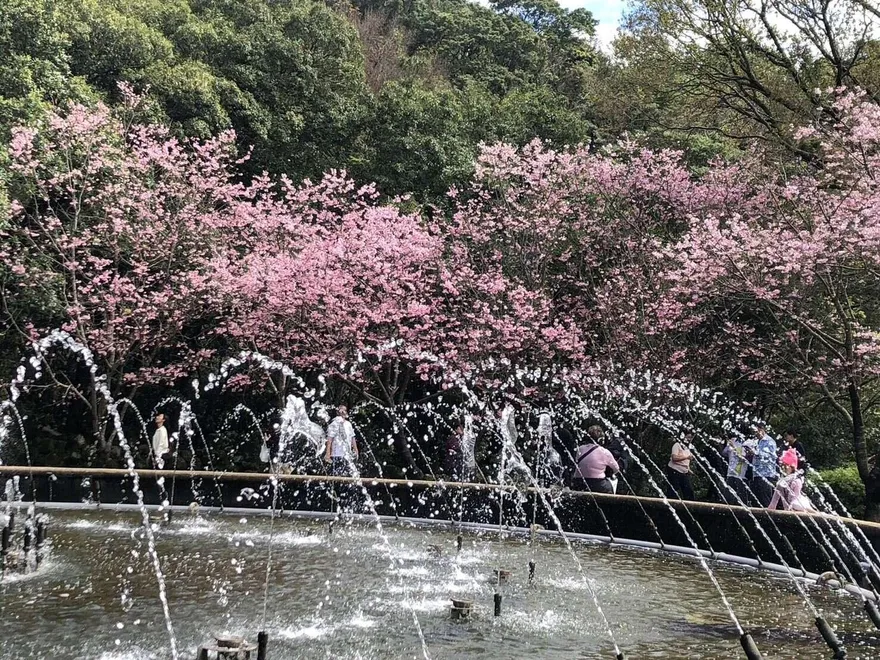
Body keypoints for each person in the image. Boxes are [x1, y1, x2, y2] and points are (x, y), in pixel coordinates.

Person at [571, 425, 620, 494]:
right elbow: (616, 469)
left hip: (579, 483)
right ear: (601, 439)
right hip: (597, 485)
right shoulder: (604, 452)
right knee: (613, 481)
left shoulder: (580, 449)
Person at [324, 405, 358, 476]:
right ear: (338, 412)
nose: (343, 412)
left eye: (344, 410)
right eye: (341, 410)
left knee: (348, 476)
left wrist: (356, 450)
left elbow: (352, 438)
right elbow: (329, 440)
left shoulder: (348, 424)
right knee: (337, 475)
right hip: (336, 455)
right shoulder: (334, 424)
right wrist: (328, 453)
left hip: (347, 455)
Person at [750, 424, 779, 507]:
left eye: (756, 431)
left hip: (766, 474)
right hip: (756, 473)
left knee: (765, 498)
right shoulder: (757, 441)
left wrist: (756, 453)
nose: (755, 434)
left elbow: (772, 456)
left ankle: (769, 517)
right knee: (757, 498)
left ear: (762, 430)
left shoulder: (769, 441)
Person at [722, 436, 751, 504]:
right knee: (728, 493)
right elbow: (724, 453)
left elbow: (743, 458)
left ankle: (742, 511)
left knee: (741, 495)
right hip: (731, 472)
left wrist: (733, 447)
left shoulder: (747, 443)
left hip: (741, 473)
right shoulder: (734, 440)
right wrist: (727, 444)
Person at [666, 433, 695, 500]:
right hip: (674, 470)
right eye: (688, 437)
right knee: (673, 489)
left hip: (684, 472)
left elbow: (686, 461)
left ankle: (690, 506)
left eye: (691, 438)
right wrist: (687, 457)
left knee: (688, 490)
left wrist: (688, 469)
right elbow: (674, 458)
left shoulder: (687, 448)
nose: (689, 439)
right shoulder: (677, 445)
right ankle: (670, 505)